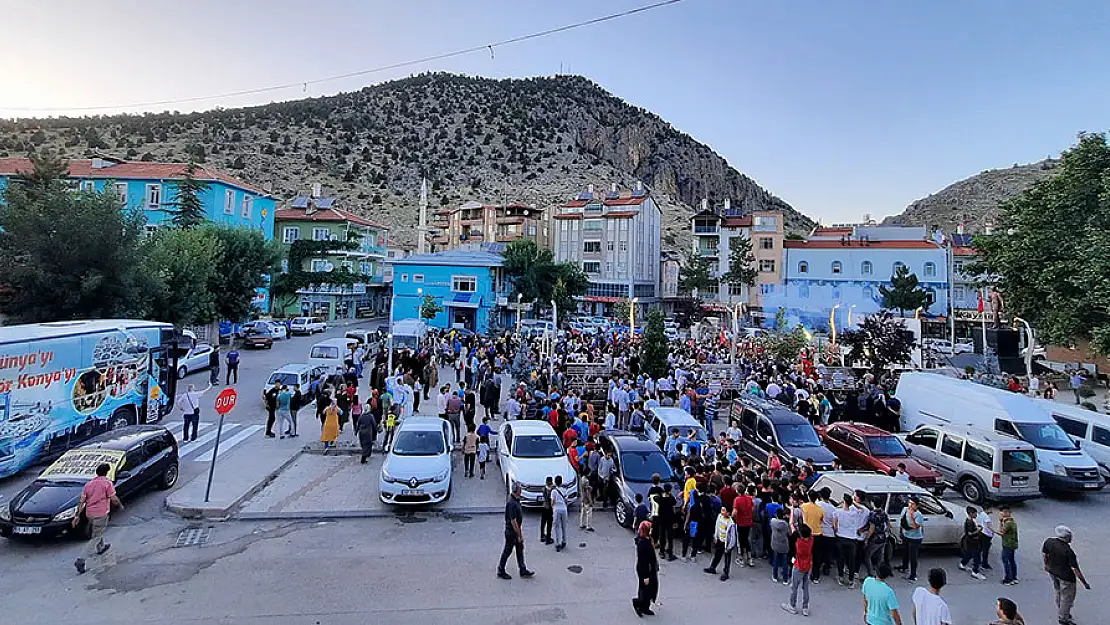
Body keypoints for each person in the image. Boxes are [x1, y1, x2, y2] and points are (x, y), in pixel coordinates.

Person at [73, 462, 123, 574]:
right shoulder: (107, 483)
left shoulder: (88, 484)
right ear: (106, 472)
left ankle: (101, 548)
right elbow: (113, 498)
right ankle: (81, 559)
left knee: (97, 531)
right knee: (96, 536)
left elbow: (81, 502)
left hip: (89, 513)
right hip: (101, 513)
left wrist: (77, 516)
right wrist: (120, 505)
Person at [1042, 525, 1090, 625]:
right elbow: (1075, 569)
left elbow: (1044, 554)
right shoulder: (1068, 551)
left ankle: (1062, 611)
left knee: (1058, 591)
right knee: (1067, 598)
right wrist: (1084, 582)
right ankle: (1063, 618)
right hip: (1066, 577)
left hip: (1053, 572)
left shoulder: (1049, 542)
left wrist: (1046, 565)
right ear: (1066, 537)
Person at [497, 483, 534, 580]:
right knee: (508, 551)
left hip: (514, 531)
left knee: (519, 549)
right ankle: (501, 570)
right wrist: (519, 535)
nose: (521, 491)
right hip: (511, 532)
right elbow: (514, 521)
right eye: (520, 489)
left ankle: (522, 569)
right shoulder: (512, 503)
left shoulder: (515, 500)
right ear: (517, 491)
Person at [781, 523, 814, 616]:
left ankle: (792, 605)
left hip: (799, 566)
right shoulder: (811, 540)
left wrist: (791, 510)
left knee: (794, 587)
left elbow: (791, 525)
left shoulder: (799, 543)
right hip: (808, 565)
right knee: (806, 587)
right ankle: (805, 607)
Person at [703, 505, 737, 581]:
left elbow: (732, 537)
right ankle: (712, 568)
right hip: (719, 540)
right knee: (717, 555)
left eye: (724, 510)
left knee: (727, 558)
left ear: (728, 513)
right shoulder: (719, 517)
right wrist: (715, 536)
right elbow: (717, 527)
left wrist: (730, 546)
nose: (722, 512)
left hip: (726, 543)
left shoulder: (731, 523)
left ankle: (726, 573)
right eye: (721, 510)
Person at [633, 520, 659, 617]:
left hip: (648, 569)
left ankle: (643, 605)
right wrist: (646, 576)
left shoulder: (645, 539)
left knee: (645, 589)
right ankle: (642, 605)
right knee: (646, 589)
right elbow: (643, 561)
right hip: (646, 571)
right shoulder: (643, 544)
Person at [897, 497, 925, 582]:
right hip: (906, 535)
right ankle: (904, 566)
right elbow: (902, 520)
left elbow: (916, 527)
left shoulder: (919, 515)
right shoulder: (905, 509)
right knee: (905, 552)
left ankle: (913, 574)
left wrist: (912, 516)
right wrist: (901, 531)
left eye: (912, 504)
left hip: (915, 538)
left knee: (913, 556)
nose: (910, 505)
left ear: (917, 505)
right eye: (909, 503)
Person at [958, 505, 986, 580]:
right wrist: (978, 530)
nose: (976, 515)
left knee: (969, 553)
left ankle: (963, 564)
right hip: (974, 541)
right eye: (975, 514)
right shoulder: (970, 522)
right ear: (971, 513)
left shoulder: (969, 520)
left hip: (969, 541)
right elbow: (970, 533)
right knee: (977, 557)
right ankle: (975, 572)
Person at [996, 505, 1019, 585]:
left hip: (1008, 544)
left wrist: (1000, 522)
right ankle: (1014, 577)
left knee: (1006, 560)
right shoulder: (1012, 521)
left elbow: (1001, 532)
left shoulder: (1008, 523)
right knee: (1012, 560)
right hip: (1013, 543)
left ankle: (1008, 579)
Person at [770, 507, 791, 584]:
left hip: (775, 544)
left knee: (775, 561)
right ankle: (785, 579)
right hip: (784, 545)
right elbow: (789, 533)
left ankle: (775, 576)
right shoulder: (785, 524)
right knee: (784, 562)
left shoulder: (773, 521)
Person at [551, 475, 570, 552]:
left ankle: (558, 543)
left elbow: (553, 502)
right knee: (564, 526)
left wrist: (552, 507)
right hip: (564, 509)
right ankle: (564, 541)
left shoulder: (554, 491)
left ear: (555, 482)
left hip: (556, 510)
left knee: (556, 527)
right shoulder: (564, 490)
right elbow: (566, 501)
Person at [578, 461, 595, 532]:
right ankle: (589, 526)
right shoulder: (587, 481)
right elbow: (588, 492)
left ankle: (581, 524)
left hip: (582, 498)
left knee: (583, 512)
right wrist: (591, 501)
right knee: (589, 513)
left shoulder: (582, 479)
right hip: (586, 499)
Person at [539, 476, 555, 545]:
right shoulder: (552, 490)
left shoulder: (543, 489)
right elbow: (550, 498)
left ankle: (542, 536)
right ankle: (548, 538)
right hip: (550, 508)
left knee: (543, 522)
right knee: (549, 523)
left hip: (544, 507)